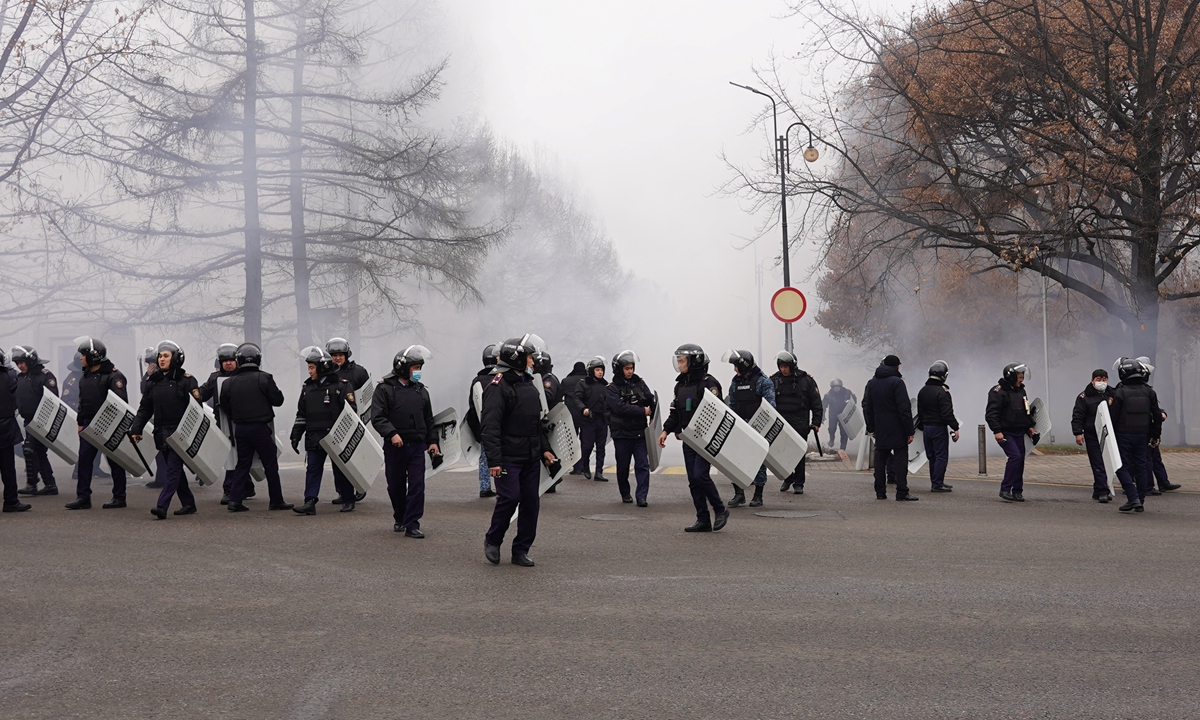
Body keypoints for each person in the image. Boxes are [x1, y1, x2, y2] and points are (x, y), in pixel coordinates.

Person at [482, 334, 557, 567]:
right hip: (508, 457)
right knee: (510, 498)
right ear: (516, 359)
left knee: (530, 503)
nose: (534, 362)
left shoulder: (529, 384)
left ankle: (521, 549)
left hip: (531, 456)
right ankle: (493, 541)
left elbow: (536, 424)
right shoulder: (497, 386)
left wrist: (545, 449)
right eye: (530, 357)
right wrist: (494, 460)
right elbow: (490, 426)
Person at [658, 344, 730, 533]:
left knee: (700, 475)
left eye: (682, 361)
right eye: (679, 361)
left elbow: (717, 411)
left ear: (694, 362)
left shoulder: (709, 384)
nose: (679, 364)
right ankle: (703, 519)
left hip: (705, 440)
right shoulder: (680, 385)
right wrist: (666, 431)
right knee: (693, 480)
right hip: (688, 439)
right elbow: (675, 412)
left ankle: (720, 509)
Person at [371, 345, 437, 537]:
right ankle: (400, 517)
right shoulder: (384, 389)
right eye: (415, 368)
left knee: (417, 485)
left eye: (419, 368)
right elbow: (378, 417)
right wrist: (391, 433)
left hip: (416, 446)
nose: (418, 372)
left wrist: (432, 441)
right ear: (402, 367)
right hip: (395, 447)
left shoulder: (421, 391)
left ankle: (412, 524)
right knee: (395, 485)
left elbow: (429, 419)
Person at [219, 343, 293, 513]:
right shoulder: (264, 378)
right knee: (270, 464)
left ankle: (235, 500)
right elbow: (278, 400)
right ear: (258, 359)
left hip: (240, 429)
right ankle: (276, 500)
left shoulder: (228, 383)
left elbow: (224, 405)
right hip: (260, 428)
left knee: (242, 464)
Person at [131, 341, 200, 519]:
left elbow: (196, 409)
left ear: (175, 358)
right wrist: (136, 428)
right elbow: (145, 408)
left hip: (180, 433)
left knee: (172, 470)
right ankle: (189, 503)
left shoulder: (187, 380)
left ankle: (162, 506)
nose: (161, 359)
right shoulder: (152, 382)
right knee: (175, 470)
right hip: (161, 433)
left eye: (166, 356)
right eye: (160, 356)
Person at [290, 347, 358, 516]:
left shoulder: (342, 386)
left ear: (322, 368)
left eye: (312, 367)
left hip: (335, 436)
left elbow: (351, 412)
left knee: (342, 468)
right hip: (314, 436)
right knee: (313, 469)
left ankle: (348, 499)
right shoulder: (307, 388)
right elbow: (302, 413)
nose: (309, 371)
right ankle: (309, 501)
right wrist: (296, 434)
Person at [66, 337, 129, 510]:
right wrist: (80, 422)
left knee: (115, 462)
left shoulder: (114, 376)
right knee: (85, 462)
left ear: (93, 356)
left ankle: (119, 497)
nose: (81, 358)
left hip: (109, 426)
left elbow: (120, 403)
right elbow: (82, 402)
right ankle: (83, 497)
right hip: (88, 425)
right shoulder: (84, 376)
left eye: (83, 354)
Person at [197, 343, 253, 504]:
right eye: (225, 360)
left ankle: (239, 487)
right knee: (231, 455)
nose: (228, 363)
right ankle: (234, 489)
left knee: (240, 455)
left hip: (243, 421)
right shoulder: (215, 378)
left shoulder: (245, 375)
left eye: (231, 360)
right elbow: (201, 393)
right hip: (224, 422)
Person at [1108, 357, 1162, 513]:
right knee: (1141, 466)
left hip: (1124, 435)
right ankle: (1140, 500)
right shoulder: (1149, 391)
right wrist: (1155, 435)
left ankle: (1133, 498)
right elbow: (1156, 415)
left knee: (1120, 466)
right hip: (1143, 435)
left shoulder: (1119, 393)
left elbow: (1112, 417)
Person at [722, 349, 775, 508]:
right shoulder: (735, 382)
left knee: (758, 461)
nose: (734, 370)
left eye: (736, 366)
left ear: (744, 366)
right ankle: (739, 494)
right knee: (734, 460)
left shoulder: (763, 381)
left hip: (757, 427)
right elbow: (731, 404)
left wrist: (757, 427)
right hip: (739, 427)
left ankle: (758, 495)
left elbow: (770, 408)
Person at [864, 354, 918, 501]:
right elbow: (904, 408)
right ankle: (901, 492)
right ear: (896, 367)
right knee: (900, 461)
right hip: (897, 428)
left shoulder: (873, 383)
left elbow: (868, 407)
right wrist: (910, 431)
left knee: (880, 460)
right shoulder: (897, 382)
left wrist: (872, 428)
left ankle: (880, 492)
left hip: (880, 428)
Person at [605, 350, 655, 506]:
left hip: (639, 432)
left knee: (642, 465)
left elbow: (650, 399)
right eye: (626, 368)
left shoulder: (639, 383)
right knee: (623, 467)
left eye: (631, 368)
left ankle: (642, 496)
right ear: (619, 369)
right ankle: (625, 493)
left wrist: (653, 414)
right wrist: (642, 411)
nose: (630, 371)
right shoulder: (612, 388)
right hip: (621, 434)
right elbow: (619, 408)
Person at [771, 351, 822, 494]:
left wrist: (816, 422)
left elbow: (816, 403)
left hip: (800, 421)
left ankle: (799, 483)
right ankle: (788, 477)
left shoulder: (806, 380)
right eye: (781, 366)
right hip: (781, 422)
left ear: (792, 366)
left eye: (786, 367)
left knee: (799, 454)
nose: (783, 370)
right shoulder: (774, 380)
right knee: (781, 453)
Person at [13, 346, 59, 497]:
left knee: (29, 449)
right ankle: (50, 484)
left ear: (30, 360)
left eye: (22, 362)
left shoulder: (45, 376)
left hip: (41, 420)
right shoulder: (21, 377)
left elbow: (52, 400)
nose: (20, 366)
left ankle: (32, 484)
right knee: (39, 452)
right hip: (28, 421)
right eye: (17, 363)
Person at [985, 362, 1034, 503]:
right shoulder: (998, 392)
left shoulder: (1021, 391)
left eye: (1023, 376)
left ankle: (1017, 491)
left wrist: (1029, 426)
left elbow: (1026, 411)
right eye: (1019, 377)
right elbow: (991, 414)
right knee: (1015, 457)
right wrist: (997, 431)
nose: (1022, 379)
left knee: (1020, 460)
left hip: (1019, 430)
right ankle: (1005, 489)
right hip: (1006, 432)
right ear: (1011, 377)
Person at [327, 337, 368, 503]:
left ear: (346, 354)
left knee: (354, 459)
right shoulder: (328, 373)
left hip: (355, 420)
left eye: (340, 354)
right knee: (337, 460)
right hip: (335, 422)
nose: (337, 358)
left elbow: (367, 396)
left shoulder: (359, 372)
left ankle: (359, 487)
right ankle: (343, 492)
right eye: (334, 355)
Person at [1135, 357, 1182, 495]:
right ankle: (1146, 486)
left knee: (1155, 457)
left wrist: (1161, 413)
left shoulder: (1145, 390)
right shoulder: (1133, 390)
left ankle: (1163, 482)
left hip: (1148, 428)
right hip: (1141, 430)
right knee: (1145, 459)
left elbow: (1152, 408)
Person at [60, 352, 109, 481]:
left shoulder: (93, 376)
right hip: (81, 416)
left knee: (98, 443)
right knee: (87, 446)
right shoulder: (72, 380)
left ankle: (95, 468)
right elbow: (66, 400)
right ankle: (78, 471)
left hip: (96, 414)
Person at [916, 360, 959, 493]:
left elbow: (920, 412)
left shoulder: (922, 390)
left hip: (927, 428)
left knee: (932, 457)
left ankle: (936, 481)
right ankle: (937, 484)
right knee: (941, 456)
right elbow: (947, 413)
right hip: (938, 428)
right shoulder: (943, 392)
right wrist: (955, 427)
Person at [1072, 369, 1114, 502]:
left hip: (1110, 434)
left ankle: (1098, 488)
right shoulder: (1084, 397)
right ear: (1092, 381)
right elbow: (1078, 415)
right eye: (1098, 379)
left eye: (1104, 379)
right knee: (1098, 462)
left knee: (1109, 463)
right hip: (1093, 434)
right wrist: (1078, 433)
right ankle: (1102, 491)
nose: (1101, 382)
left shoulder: (1113, 394)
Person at [464, 343, 500, 498]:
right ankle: (502, 487)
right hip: (500, 425)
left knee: (485, 457)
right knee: (501, 456)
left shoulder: (477, 380)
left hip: (483, 425)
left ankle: (484, 487)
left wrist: (475, 427)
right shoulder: (501, 379)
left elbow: (472, 405)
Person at [0, 349, 31, 512]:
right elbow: (16, 396)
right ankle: (11, 501)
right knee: (7, 467)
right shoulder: (10, 376)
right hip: (5, 427)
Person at [570, 356, 610, 481]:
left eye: (602, 370)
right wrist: (584, 409)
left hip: (602, 420)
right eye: (597, 370)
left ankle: (599, 472)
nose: (600, 372)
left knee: (601, 447)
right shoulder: (583, 384)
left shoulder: (606, 385)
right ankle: (585, 467)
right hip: (588, 420)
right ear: (591, 370)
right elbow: (576, 399)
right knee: (587, 446)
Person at [533, 350, 566, 494]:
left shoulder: (548, 379)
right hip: (544, 420)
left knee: (549, 452)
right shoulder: (539, 378)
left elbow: (549, 396)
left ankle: (553, 478)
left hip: (549, 420)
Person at [822, 378, 857, 451]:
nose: (836, 388)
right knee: (831, 429)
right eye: (835, 387)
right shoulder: (828, 395)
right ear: (832, 387)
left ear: (841, 386)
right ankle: (832, 439)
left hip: (844, 415)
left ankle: (843, 448)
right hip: (833, 415)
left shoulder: (847, 392)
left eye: (838, 387)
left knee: (844, 432)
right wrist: (822, 415)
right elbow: (824, 405)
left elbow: (854, 401)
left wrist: (849, 403)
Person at [560, 361, 588, 435]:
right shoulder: (588, 381)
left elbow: (558, 397)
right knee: (586, 440)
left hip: (570, 413)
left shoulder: (566, 381)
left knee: (572, 438)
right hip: (585, 413)